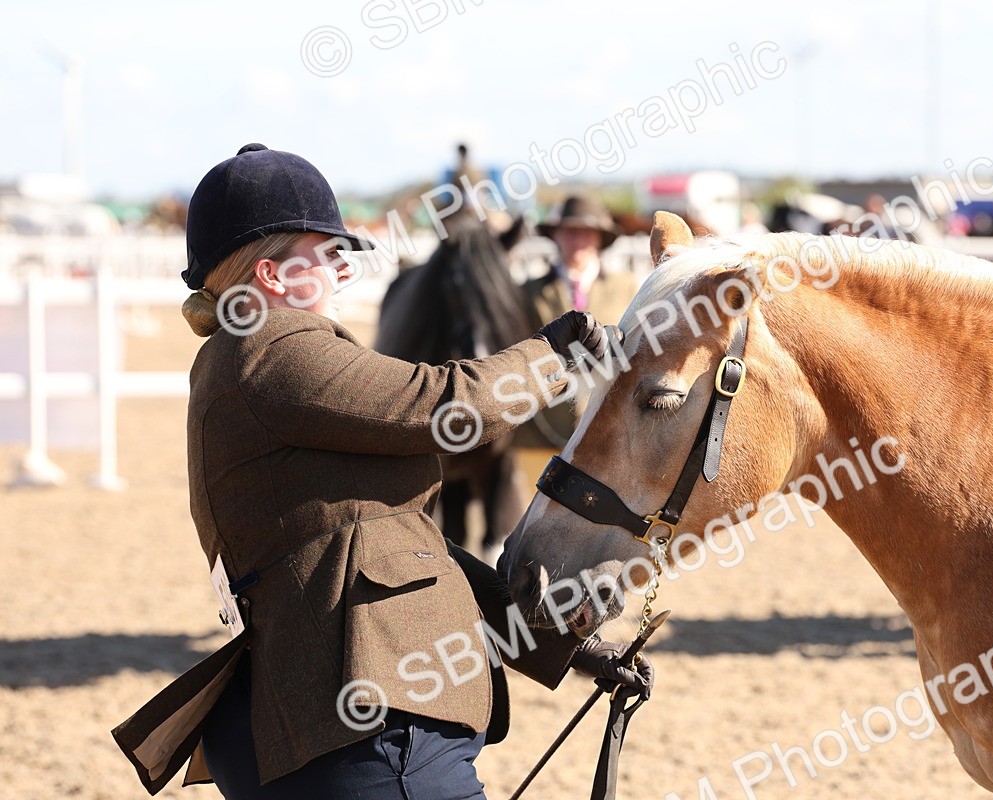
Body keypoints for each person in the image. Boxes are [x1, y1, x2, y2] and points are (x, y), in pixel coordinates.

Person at [112, 144, 652, 800]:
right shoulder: (272, 346)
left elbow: (388, 541)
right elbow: (444, 405)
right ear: (271, 275)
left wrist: (558, 644)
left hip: (331, 719)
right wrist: (553, 351)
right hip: (371, 729)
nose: (344, 265)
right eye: (327, 249)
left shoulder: (242, 357)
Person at [519, 195, 637, 448]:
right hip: (542, 427)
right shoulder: (528, 291)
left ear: (599, 238)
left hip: (605, 429)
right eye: (570, 232)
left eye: (586, 233)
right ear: (556, 236)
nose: (578, 241)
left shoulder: (626, 287)